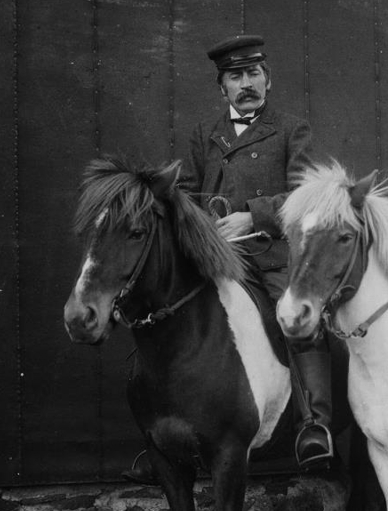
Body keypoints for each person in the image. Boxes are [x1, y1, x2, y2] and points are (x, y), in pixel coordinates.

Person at [122, 34, 335, 484]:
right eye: (235, 77)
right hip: (216, 257)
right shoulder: (206, 133)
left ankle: (315, 425)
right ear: (222, 88)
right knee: (165, 312)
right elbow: (188, 193)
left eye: (253, 74)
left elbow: (306, 196)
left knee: (297, 321)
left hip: (269, 254)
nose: (246, 84)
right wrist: (196, 223)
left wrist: (252, 215)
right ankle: (160, 435)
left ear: (268, 80)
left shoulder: (291, 129)